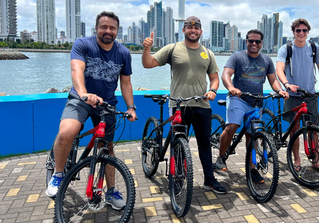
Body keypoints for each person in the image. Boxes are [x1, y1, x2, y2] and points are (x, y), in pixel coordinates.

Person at [46, 11, 138, 209]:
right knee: (67, 132)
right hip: (81, 99)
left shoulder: (123, 53)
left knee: (107, 148)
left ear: (117, 31)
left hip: (107, 104)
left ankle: (111, 192)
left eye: (112, 28)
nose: (108, 31)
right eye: (103, 27)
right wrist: (84, 94)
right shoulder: (83, 44)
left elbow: (126, 83)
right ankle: (58, 175)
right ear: (96, 28)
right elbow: (76, 70)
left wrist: (130, 107)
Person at [142, 16, 227, 194]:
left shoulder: (208, 53)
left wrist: (212, 90)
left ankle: (209, 180)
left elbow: (214, 78)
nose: (193, 31)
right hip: (178, 104)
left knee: (204, 144)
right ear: (184, 30)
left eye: (196, 28)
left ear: (201, 32)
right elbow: (148, 64)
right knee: (178, 142)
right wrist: (147, 49)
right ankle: (178, 176)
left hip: (202, 104)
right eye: (189, 27)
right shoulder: (173, 49)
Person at [215, 29, 289, 183]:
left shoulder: (267, 59)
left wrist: (280, 90)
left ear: (262, 43)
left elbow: (273, 80)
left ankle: (252, 169)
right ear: (246, 41)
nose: (254, 44)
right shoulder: (237, 57)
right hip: (239, 98)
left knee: (253, 136)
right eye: (251, 41)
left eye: (257, 41)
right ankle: (221, 157)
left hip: (257, 101)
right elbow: (226, 74)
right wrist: (231, 88)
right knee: (232, 127)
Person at [276, 18, 319, 172]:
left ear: (308, 32)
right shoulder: (286, 48)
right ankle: (296, 159)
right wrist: (286, 84)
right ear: (293, 32)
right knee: (295, 128)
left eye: (304, 30)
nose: (301, 33)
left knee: (313, 128)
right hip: (293, 95)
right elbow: (279, 69)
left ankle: (315, 160)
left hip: (310, 94)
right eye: (298, 30)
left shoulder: (314, 47)